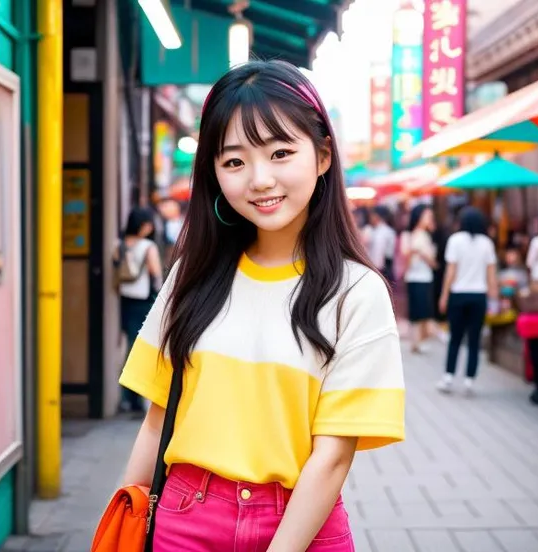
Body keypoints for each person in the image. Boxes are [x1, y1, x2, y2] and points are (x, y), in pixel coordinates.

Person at [120, 60, 405, 550]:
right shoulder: (192, 275)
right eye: (234, 161)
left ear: (322, 157)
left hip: (303, 524)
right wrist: (122, 521)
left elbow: (333, 456)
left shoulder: (358, 293)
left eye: (279, 152)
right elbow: (155, 421)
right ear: (213, 172)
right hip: (183, 520)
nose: (259, 180)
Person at [437, 206, 498, 395]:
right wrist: (494, 299)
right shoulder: (486, 243)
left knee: (455, 338)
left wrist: (444, 295)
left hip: (458, 294)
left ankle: (448, 377)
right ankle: (469, 379)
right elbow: (491, 275)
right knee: (474, 339)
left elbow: (451, 272)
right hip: (478, 296)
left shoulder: (455, 241)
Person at [114, 207, 163, 416]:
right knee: (141, 346)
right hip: (144, 300)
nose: (150, 228)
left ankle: (127, 396)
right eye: (148, 224)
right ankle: (134, 394)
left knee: (130, 344)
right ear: (141, 225)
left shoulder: (119, 245)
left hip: (124, 299)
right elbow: (156, 273)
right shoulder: (148, 246)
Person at [401, 204, 437, 353]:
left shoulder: (427, 236)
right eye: (427, 216)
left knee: (424, 311)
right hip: (413, 277)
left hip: (426, 277)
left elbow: (433, 263)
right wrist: (414, 251)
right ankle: (416, 342)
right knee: (417, 312)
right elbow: (406, 260)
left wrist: (421, 254)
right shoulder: (407, 236)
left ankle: (418, 341)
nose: (429, 219)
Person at [368, 206, 397, 286]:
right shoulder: (384, 230)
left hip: (381, 268)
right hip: (384, 267)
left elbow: (378, 253)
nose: (370, 218)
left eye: (371, 215)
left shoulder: (382, 232)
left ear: (377, 216)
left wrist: (375, 269)